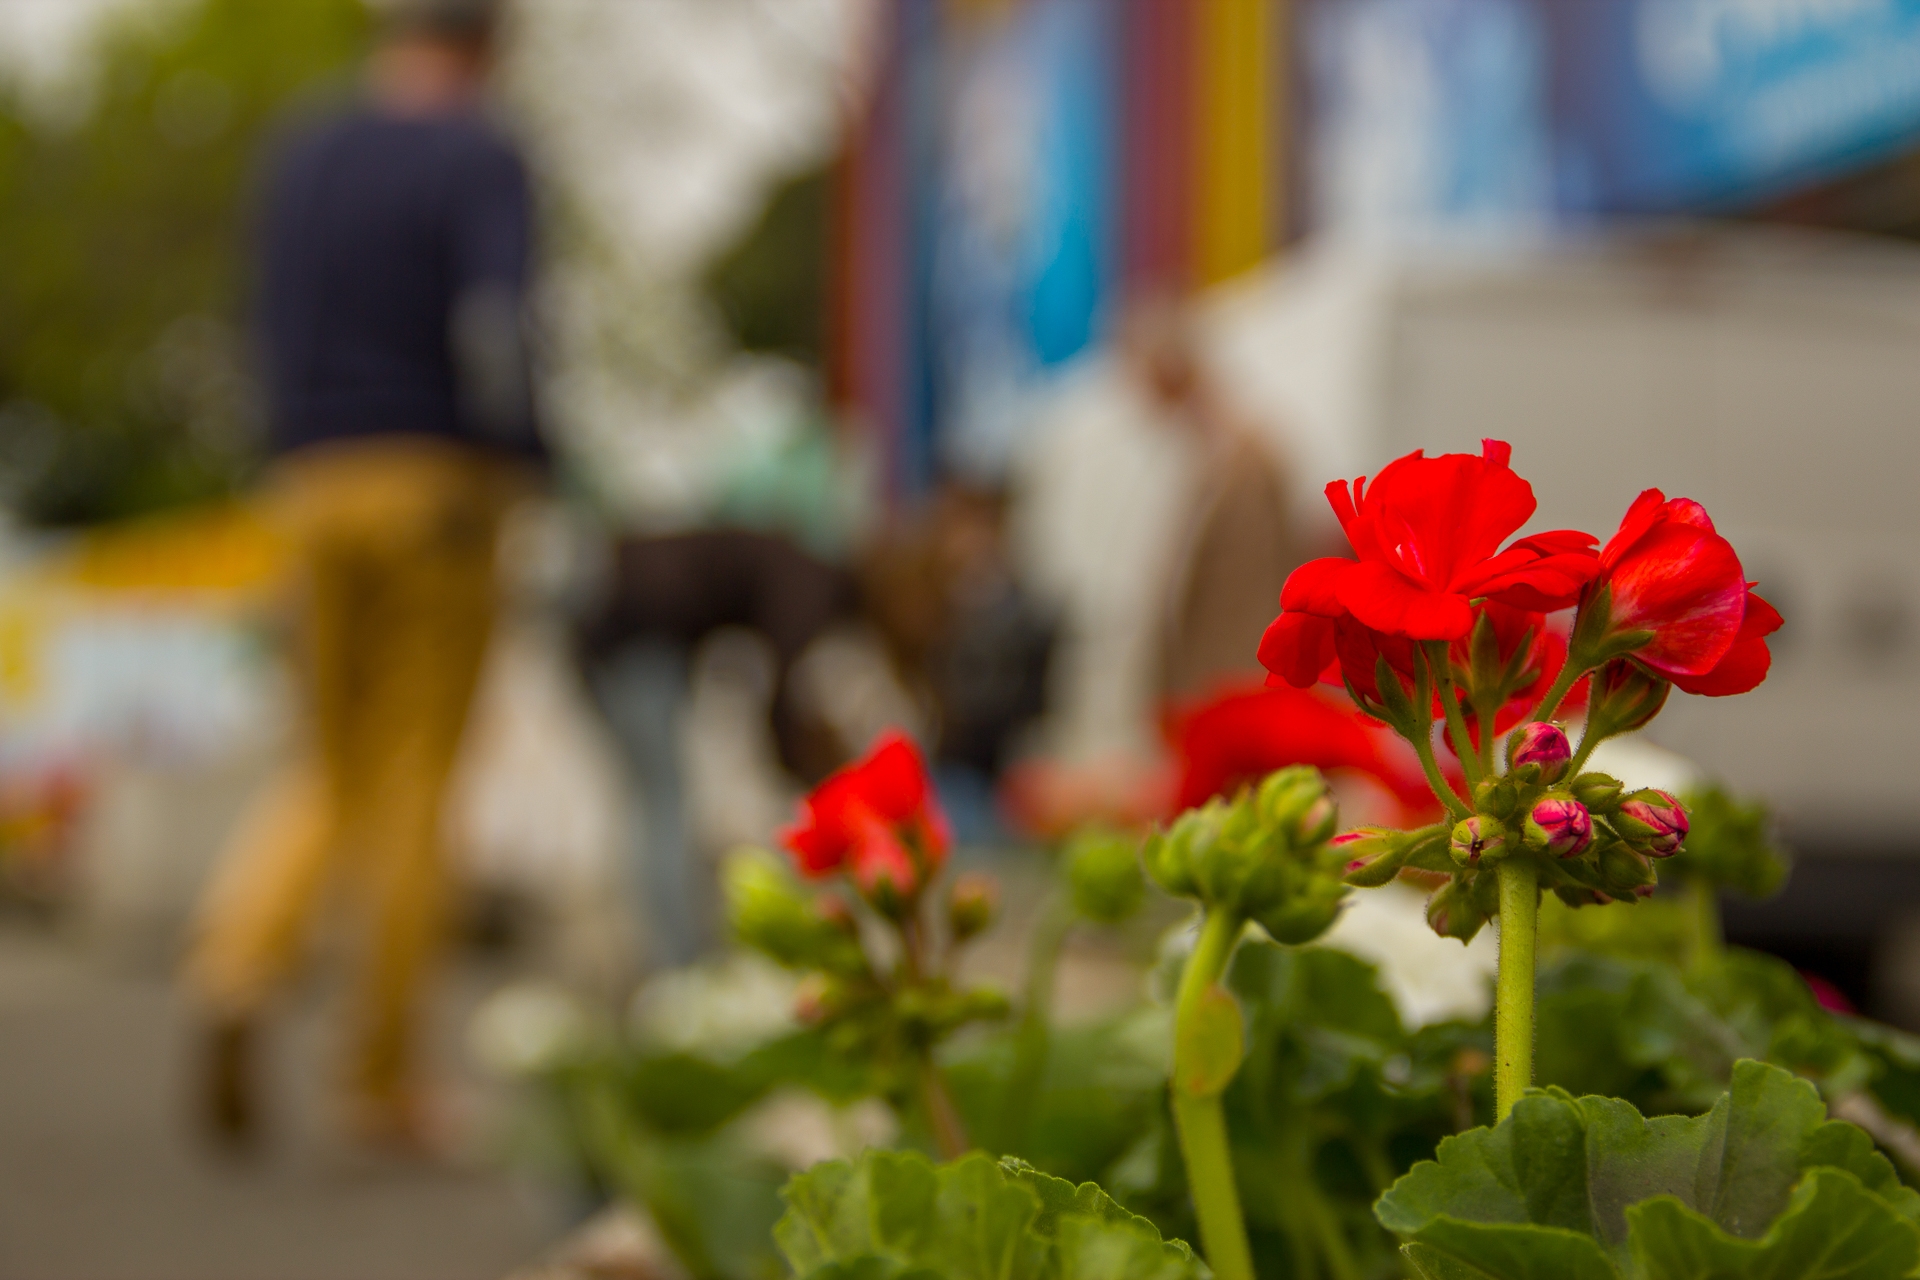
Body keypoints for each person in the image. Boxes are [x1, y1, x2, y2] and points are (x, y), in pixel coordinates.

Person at [183, 0, 542, 1153]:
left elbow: (266, 319)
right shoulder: (481, 155)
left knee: (326, 759)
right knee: (415, 781)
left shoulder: (306, 150)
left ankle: (236, 963)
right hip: (434, 484)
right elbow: (494, 323)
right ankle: (379, 1082)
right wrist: (532, 452)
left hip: (308, 480)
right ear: (487, 45)